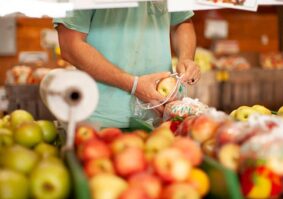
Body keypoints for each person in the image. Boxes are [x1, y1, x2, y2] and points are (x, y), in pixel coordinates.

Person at [54, 1, 200, 128]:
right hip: (102, 120)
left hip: (161, 119)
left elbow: (182, 21)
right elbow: (70, 46)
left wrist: (186, 58)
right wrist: (133, 84)